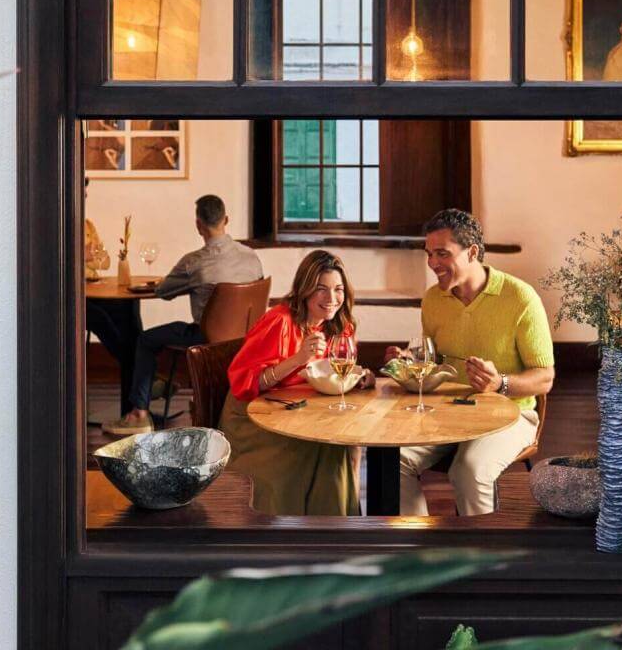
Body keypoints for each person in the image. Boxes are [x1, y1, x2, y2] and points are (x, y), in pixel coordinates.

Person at [391, 209, 555, 516]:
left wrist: (500, 383)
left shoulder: (520, 298)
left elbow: (545, 378)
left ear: (473, 252)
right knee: (392, 459)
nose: (432, 264)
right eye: (429, 254)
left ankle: (480, 554)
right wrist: (409, 362)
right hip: (447, 413)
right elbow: (434, 361)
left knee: (469, 469)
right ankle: (414, 547)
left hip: (511, 415)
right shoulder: (433, 300)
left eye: (442, 254)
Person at [221, 250, 371, 516]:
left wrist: (359, 378)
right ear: (305, 290)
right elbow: (246, 383)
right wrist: (298, 358)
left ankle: (335, 532)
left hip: (301, 411)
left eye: (338, 290)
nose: (332, 299)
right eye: (321, 289)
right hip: (255, 417)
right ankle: (302, 533)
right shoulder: (280, 321)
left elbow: (336, 371)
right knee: (322, 446)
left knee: (336, 444)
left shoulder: (338, 326)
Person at [102, 195, 264, 436]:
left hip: (207, 338)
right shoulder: (251, 256)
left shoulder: (194, 263)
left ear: (198, 225)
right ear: (226, 219)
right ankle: (154, 385)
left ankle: (139, 414)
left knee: (145, 340)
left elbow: (164, 291)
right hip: (247, 338)